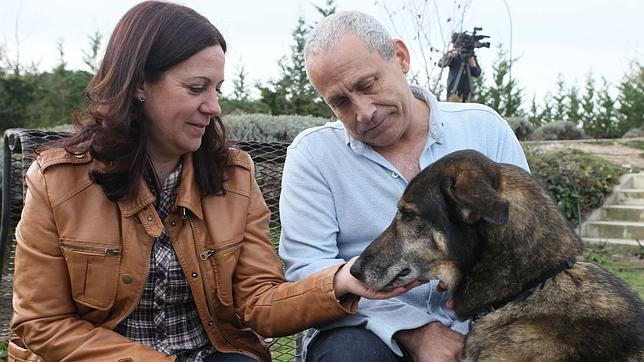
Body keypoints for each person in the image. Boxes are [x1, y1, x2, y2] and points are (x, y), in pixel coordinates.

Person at [8, 3, 419, 362]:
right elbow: (42, 324)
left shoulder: (233, 177)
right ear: (138, 85)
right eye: (196, 88)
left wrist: (343, 280)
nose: (214, 106)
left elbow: (259, 304)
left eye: (217, 88)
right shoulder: (58, 180)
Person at [278, 11, 530, 362]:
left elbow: (522, 232)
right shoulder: (313, 155)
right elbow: (307, 268)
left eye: (367, 85)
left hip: (484, 317)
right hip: (366, 330)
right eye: (340, 102)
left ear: (400, 56)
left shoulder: (484, 128)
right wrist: (412, 329)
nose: (363, 112)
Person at [438, 33, 482, 102]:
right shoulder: (453, 53)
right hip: (453, 91)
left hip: (467, 94)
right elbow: (441, 64)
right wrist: (449, 57)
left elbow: (477, 73)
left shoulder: (470, 56)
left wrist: (473, 65)